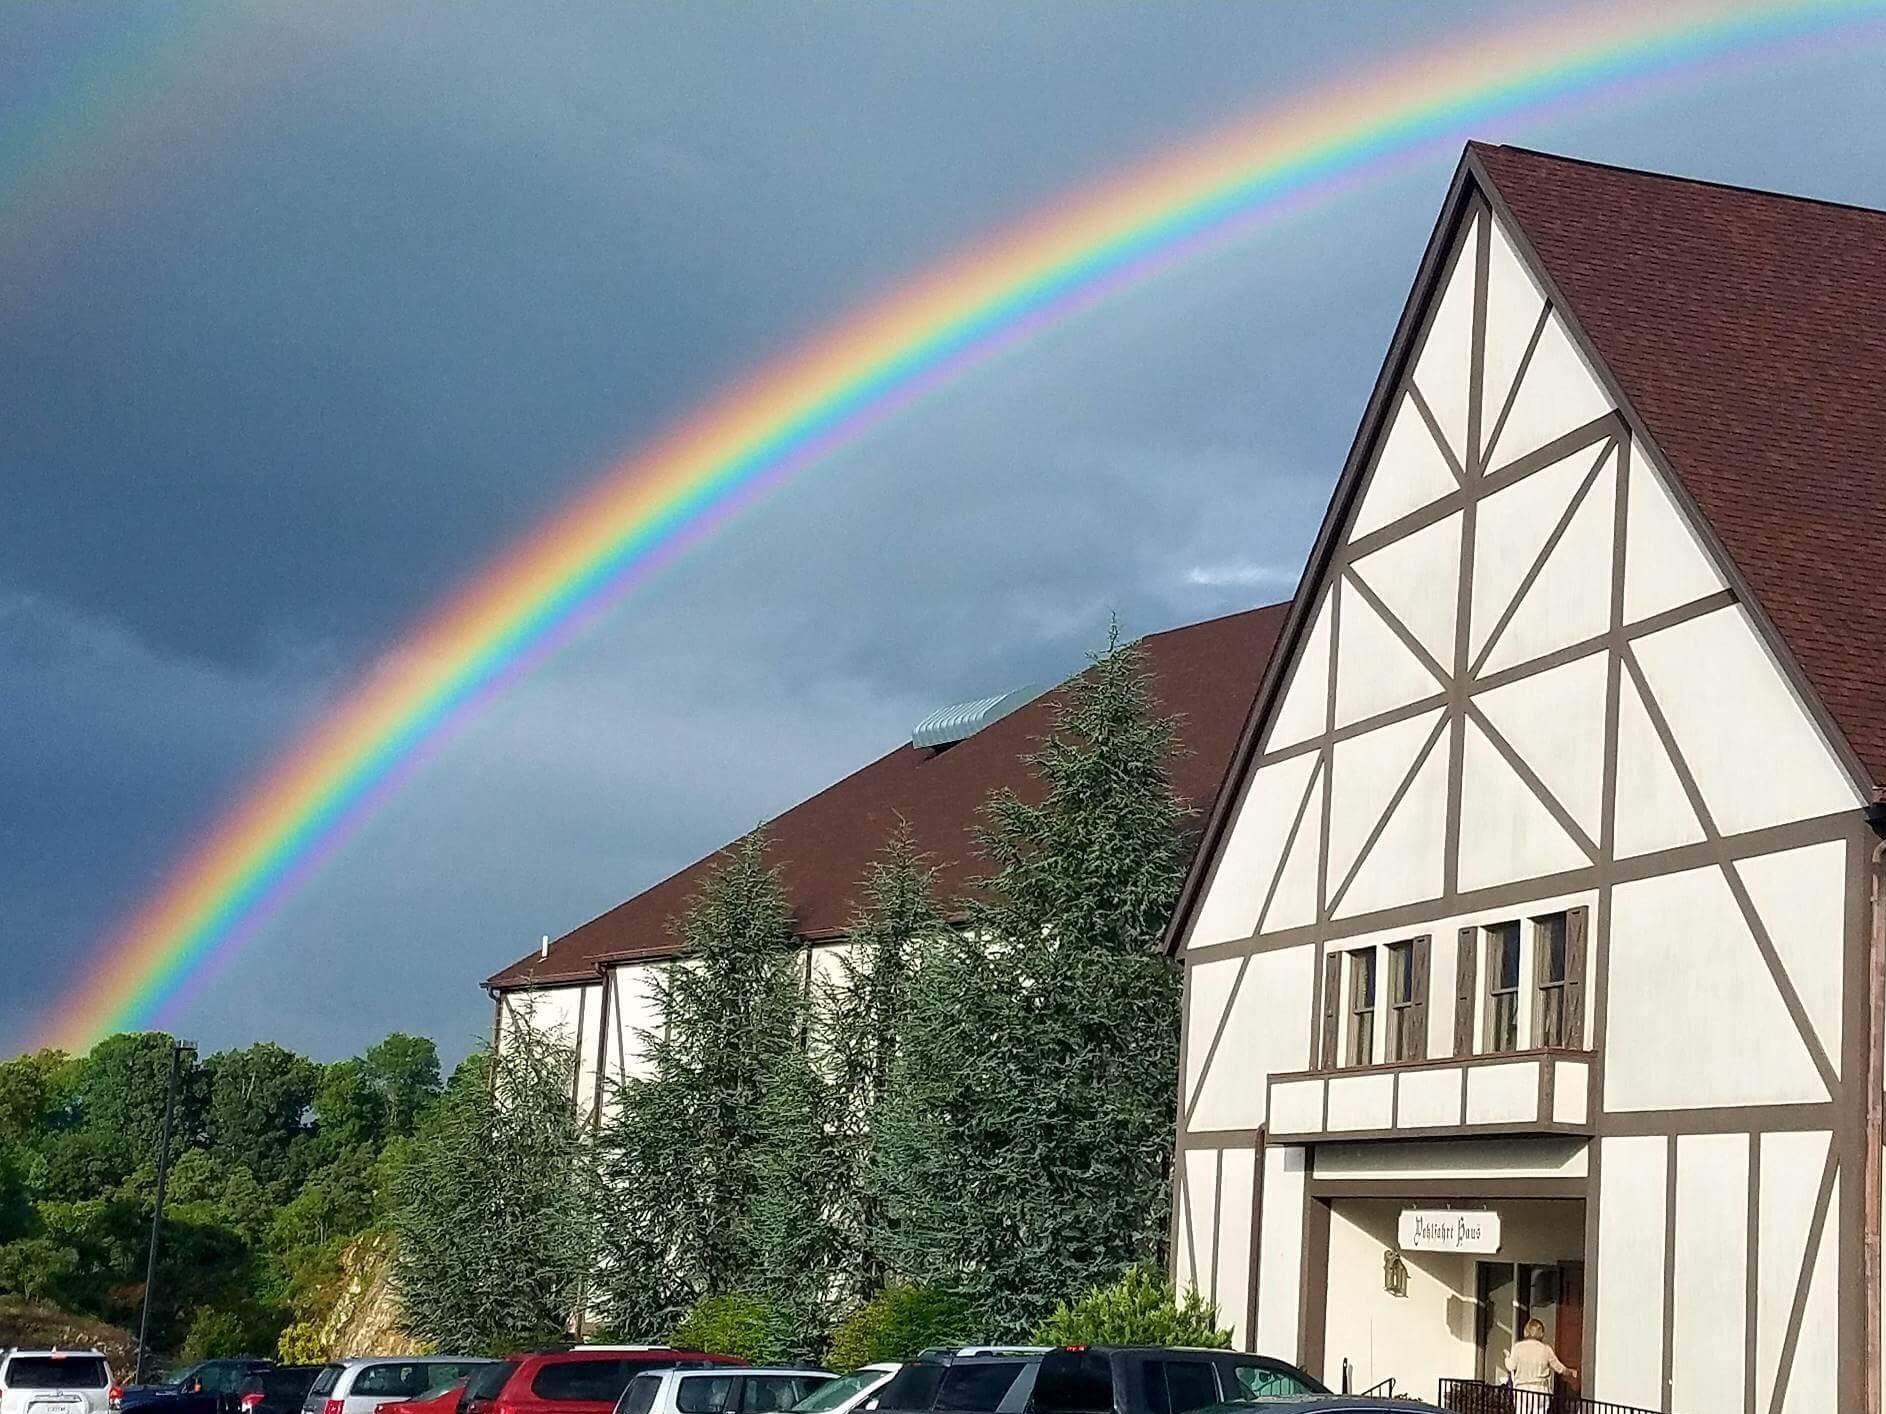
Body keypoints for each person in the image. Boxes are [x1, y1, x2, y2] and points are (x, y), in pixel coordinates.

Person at [1505, 1317, 1576, 1395]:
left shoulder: (1518, 1347)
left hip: (1522, 1390)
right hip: (1541, 1391)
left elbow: (1511, 1366)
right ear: (1541, 1333)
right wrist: (1570, 1372)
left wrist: (1507, 1358)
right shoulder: (1546, 1349)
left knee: (1523, 1407)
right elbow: (1559, 1368)